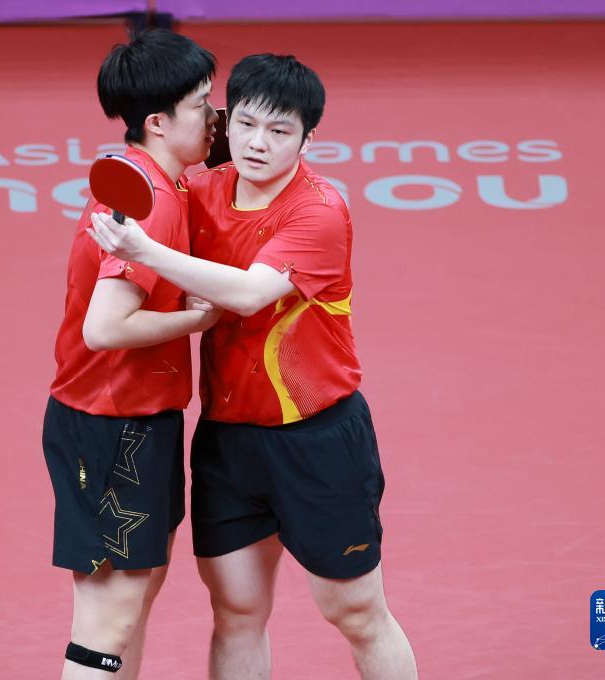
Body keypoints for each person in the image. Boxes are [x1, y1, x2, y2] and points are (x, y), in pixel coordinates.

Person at [87, 53, 418, 679]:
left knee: (355, 611)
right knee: (236, 610)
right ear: (224, 120)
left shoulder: (318, 210)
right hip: (229, 441)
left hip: (317, 440)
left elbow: (247, 294)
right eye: (246, 124)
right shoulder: (201, 192)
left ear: (308, 139)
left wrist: (143, 250)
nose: (258, 143)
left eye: (280, 130)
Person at [42, 29, 219, 679]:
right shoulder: (147, 203)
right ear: (157, 122)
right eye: (202, 105)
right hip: (111, 424)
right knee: (108, 620)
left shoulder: (158, 179)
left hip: (142, 418)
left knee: (133, 604)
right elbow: (104, 328)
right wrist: (200, 317)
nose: (215, 117)